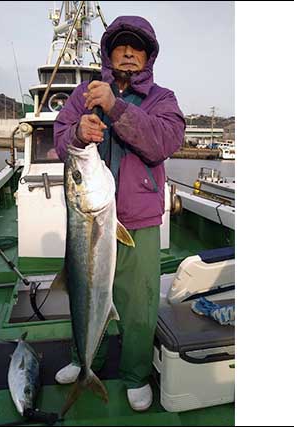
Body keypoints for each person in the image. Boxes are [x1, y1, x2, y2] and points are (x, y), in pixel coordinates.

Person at [53, 16, 185, 411]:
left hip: (138, 220)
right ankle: (82, 360)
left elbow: (162, 142)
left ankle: (134, 373)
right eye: (121, 45)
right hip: (89, 215)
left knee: (138, 302)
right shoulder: (84, 92)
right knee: (81, 292)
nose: (128, 52)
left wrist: (116, 108)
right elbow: (62, 140)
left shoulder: (163, 99)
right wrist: (78, 131)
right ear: (109, 53)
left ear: (148, 56)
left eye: (137, 47)